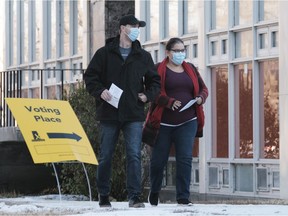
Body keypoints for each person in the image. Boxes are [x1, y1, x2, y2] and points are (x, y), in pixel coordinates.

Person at [84, 14, 161, 208]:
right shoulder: (104, 54)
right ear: (122, 28)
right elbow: (90, 77)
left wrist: (147, 96)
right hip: (109, 113)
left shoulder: (143, 56)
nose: (136, 29)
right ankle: (103, 195)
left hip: (133, 113)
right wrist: (100, 91)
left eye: (138, 27)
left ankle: (134, 196)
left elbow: (155, 82)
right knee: (106, 155)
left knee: (134, 154)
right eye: (132, 26)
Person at [146, 38, 208, 206]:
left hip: (188, 121)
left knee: (185, 158)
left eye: (183, 50)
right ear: (168, 52)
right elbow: (152, 92)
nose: (181, 54)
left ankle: (183, 197)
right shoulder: (158, 69)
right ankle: (155, 191)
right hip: (164, 123)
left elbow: (203, 89)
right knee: (158, 160)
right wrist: (168, 102)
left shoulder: (191, 69)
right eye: (177, 51)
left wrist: (201, 98)